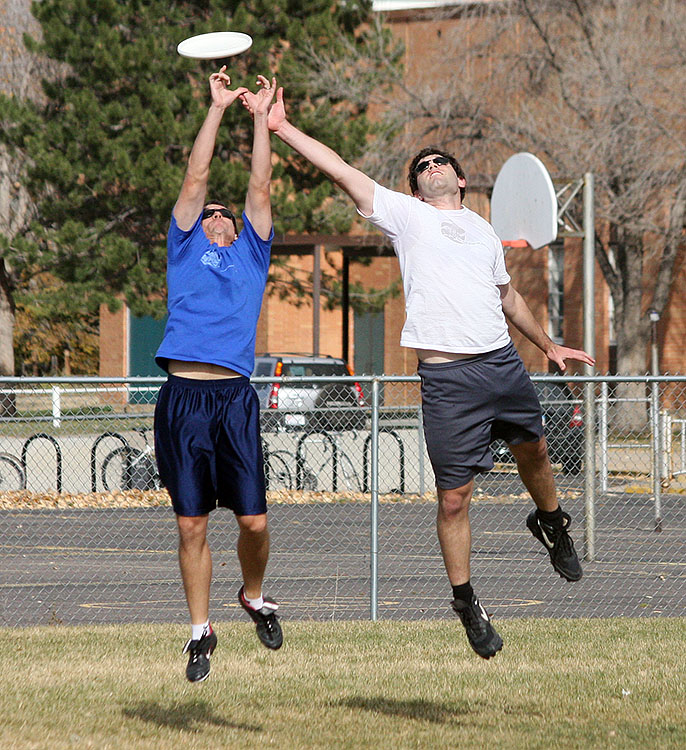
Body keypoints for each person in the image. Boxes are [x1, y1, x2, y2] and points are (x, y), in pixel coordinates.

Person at [266, 87, 594, 660]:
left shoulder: (485, 232)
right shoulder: (406, 215)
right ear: (415, 187)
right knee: (452, 501)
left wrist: (549, 345)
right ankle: (467, 602)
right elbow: (342, 170)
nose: (432, 167)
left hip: (501, 364)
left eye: (441, 162)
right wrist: (282, 129)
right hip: (448, 382)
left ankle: (552, 522)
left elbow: (508, 297)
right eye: (422, 167)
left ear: (461, 181)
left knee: (537, 454)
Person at [154, 68, 283, 683]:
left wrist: (259, 117)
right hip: (182, 396)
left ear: (235, 227)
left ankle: (253, 595)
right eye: (203, 213)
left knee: (253, 520)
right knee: (191, 523)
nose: (211, 216)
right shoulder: (184, 247)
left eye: (219, 215)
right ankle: (200, 631)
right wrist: (215, 109)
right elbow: (195, 177)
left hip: (233, 398)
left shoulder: (251, 252)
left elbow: (259, 184)